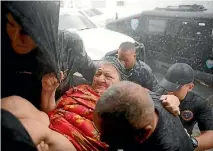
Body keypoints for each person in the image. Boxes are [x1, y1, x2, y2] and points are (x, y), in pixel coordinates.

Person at [1, 57, 180, 151]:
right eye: (98, 73)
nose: (100, 78)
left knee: (30, 129)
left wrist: (172, 100)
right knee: (16, 104)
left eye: (108, 76)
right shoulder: (81, 88)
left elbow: (161, 98)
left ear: (121, 82)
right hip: (52, 121)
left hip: (80, 142)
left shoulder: (128, 95)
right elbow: (51, 111)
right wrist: (48, 91)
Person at [1, 1, 96, 109]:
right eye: (11, 25)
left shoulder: (69, 45)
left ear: (46, 26)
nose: (16, 38)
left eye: (27, 30)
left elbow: (91, 71)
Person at [94, 81, 194, 151]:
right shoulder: (148, 99)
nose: (101, 139)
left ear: (144, 133)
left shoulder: (168, 147)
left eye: (109, 137)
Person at [159, 63, 213, 151]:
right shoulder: (157, 92)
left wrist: (189, 143)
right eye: (168, 86)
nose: (170, 91)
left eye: (175, 87)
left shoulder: (198, 103)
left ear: (190, 87)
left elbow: (211, 135)